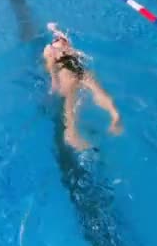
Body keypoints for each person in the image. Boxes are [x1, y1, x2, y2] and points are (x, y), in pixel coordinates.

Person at [43, 22, 121, 151]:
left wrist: (53, 29)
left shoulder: (58, 46)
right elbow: (51, 67)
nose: (60, 39)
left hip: (77, 72)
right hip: (71, 73)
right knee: (72, 106)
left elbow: (52, 62)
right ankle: (72, 134)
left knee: (96, 93)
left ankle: (114, 115)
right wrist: (54, 81)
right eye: (58, 39)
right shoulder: (52, 49)